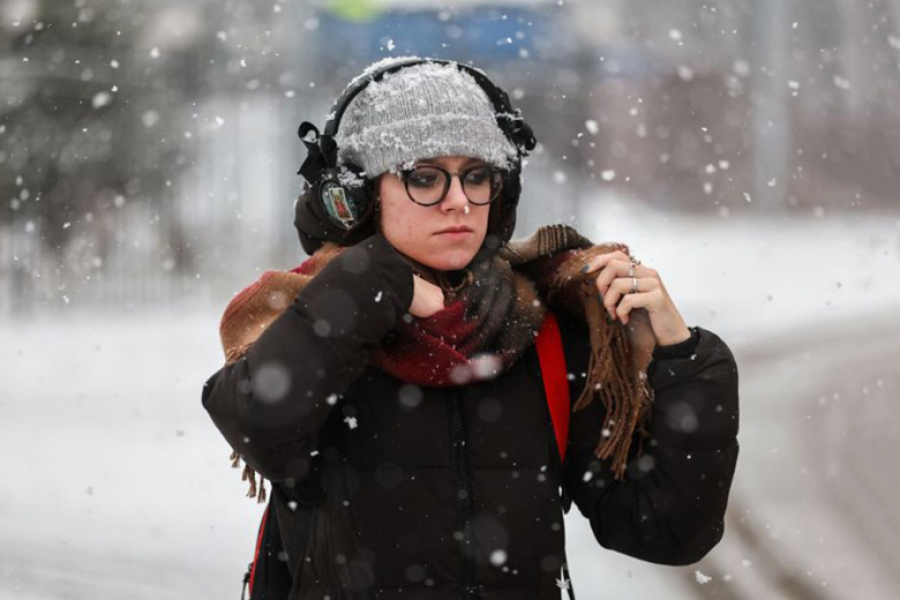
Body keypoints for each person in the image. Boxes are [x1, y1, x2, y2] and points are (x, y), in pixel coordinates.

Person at [201, 57, 739, 600]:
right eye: (425, 176)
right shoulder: (319, 322)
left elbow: (665, 531)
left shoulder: (541, 332)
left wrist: (683, 357)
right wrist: (367, 286)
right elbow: (259, 424)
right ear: (359, 195)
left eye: (477, 175)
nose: (458, 200)